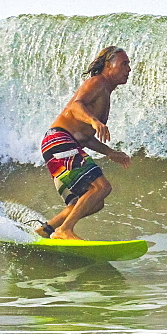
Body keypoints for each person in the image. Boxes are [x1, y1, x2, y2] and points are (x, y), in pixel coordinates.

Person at [36, 46, 133, 240]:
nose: (128, 69)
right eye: (124, 64)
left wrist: (109, 152)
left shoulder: (105, 92)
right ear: (108, 65)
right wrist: (94, 121)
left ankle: (47, 229)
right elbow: (76, 105)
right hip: (59, 140)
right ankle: (64, 231)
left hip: (56, 145)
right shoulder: (98, 82)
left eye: (129, 65)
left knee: (92, 201)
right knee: (102, 187)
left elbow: (85, 136)